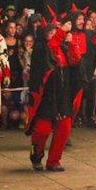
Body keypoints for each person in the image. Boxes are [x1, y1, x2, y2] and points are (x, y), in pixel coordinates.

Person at [26, 21, 80, 171]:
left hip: (62, 96)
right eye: (52, 32)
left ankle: (54, 161)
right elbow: (50, 51)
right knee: (42, 130)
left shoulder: (62, 48)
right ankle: (36, 155)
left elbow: (76, 60)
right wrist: (62, 31)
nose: (55, 35)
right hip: (46, 97)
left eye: (56, 32)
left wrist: (71, 44)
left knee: (64, 128)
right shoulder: (40, 49)